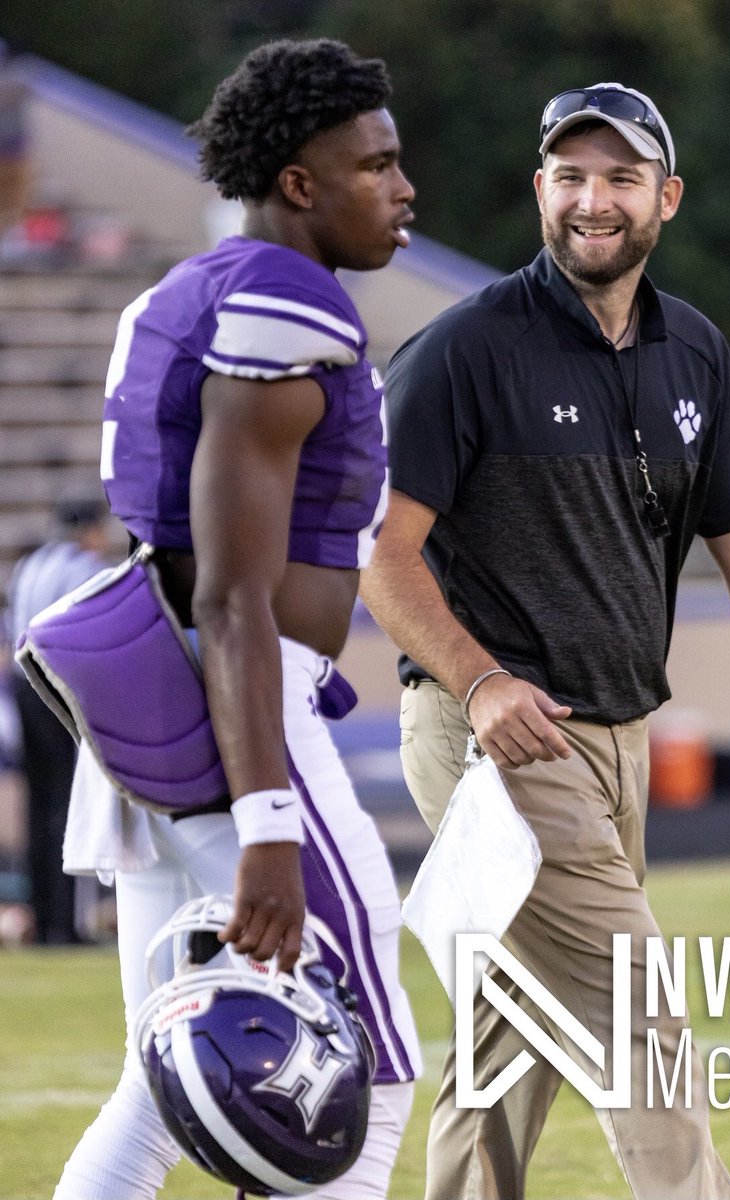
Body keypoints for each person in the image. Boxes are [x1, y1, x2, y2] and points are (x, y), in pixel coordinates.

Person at [360, 82, 730, 1200]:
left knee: (512, 1037)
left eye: (616, 177)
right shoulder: (463, 351)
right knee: (632, 1002)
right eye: (568, 176)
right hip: (493, 737)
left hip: (615, 739)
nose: (590, 200)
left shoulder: (691, 351)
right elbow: (384, 554)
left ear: (667, 197)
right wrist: (482, 681)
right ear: (538, 191)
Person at [52, 39, 421, 1200]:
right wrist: (268, 821)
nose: (404, 189)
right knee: (369, 1061)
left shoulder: (193, 288)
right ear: (299, 183)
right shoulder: (281, 301)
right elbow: (229, 592)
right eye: (377, 164)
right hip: (237, 727)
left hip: (160, 715)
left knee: (154, 1084)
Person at [6, 498, 114, 944]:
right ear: (87, 530)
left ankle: (45, 916)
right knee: (69, 803)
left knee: (38, 805)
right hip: (60, 687)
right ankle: (68, 923)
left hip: (22, 683)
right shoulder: (84, 567)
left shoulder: (28, 565)